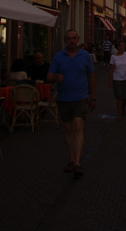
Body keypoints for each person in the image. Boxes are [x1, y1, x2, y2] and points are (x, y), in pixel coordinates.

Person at [47, 29, 96, 178]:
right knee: (68, 129)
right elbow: (48, 76)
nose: (71, 41)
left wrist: (93, 96)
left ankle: (77, 163)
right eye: (68, 39)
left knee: (78, 126)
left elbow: (91, 76)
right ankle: (71, 158)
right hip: (63, 98)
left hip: (81, 97)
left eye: (74, 38)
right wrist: (55, 77)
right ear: (64, 41)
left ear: (78, 39)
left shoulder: (85, 56)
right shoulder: (58, 57)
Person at [108, 39, 126, 119]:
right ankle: (120, 114)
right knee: (119, 97)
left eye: (124, 45)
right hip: (117, 79)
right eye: (121, 45)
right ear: (118, 47)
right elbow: (111, 69)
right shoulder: (113, 57)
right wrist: (110, 80)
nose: (123, 47)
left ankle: (122, 107)